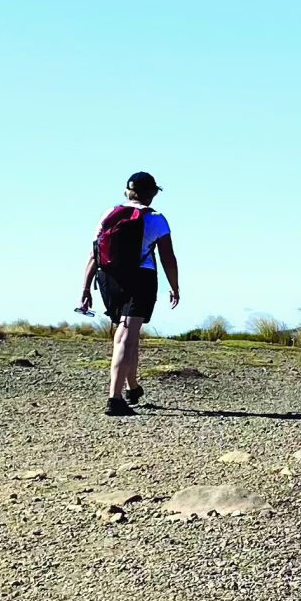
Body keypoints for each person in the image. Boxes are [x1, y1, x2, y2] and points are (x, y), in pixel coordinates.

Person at [75, 171, 179, 417]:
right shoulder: (156, 219)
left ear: (127, 192)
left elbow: (94, 254)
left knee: (126, 333)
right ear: (152, 193)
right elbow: (168, 258)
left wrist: (85, 288)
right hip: (140, 278)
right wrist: (175, 286)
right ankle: (115, 398)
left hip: (108, 278)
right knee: (127, 337)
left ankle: (132, 387)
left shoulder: (109, 214)